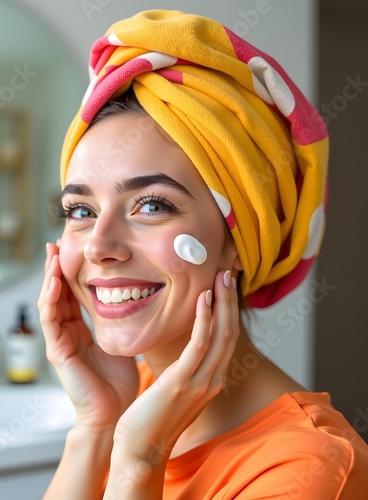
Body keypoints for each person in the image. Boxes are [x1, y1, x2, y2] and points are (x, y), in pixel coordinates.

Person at [37, 9, 368, 499]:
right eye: (80, 209)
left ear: (238, 241)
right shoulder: (140, 391)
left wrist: (140, 461)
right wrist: (95, 426)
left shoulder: (309, 468)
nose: (99, 247)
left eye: (151, 205)